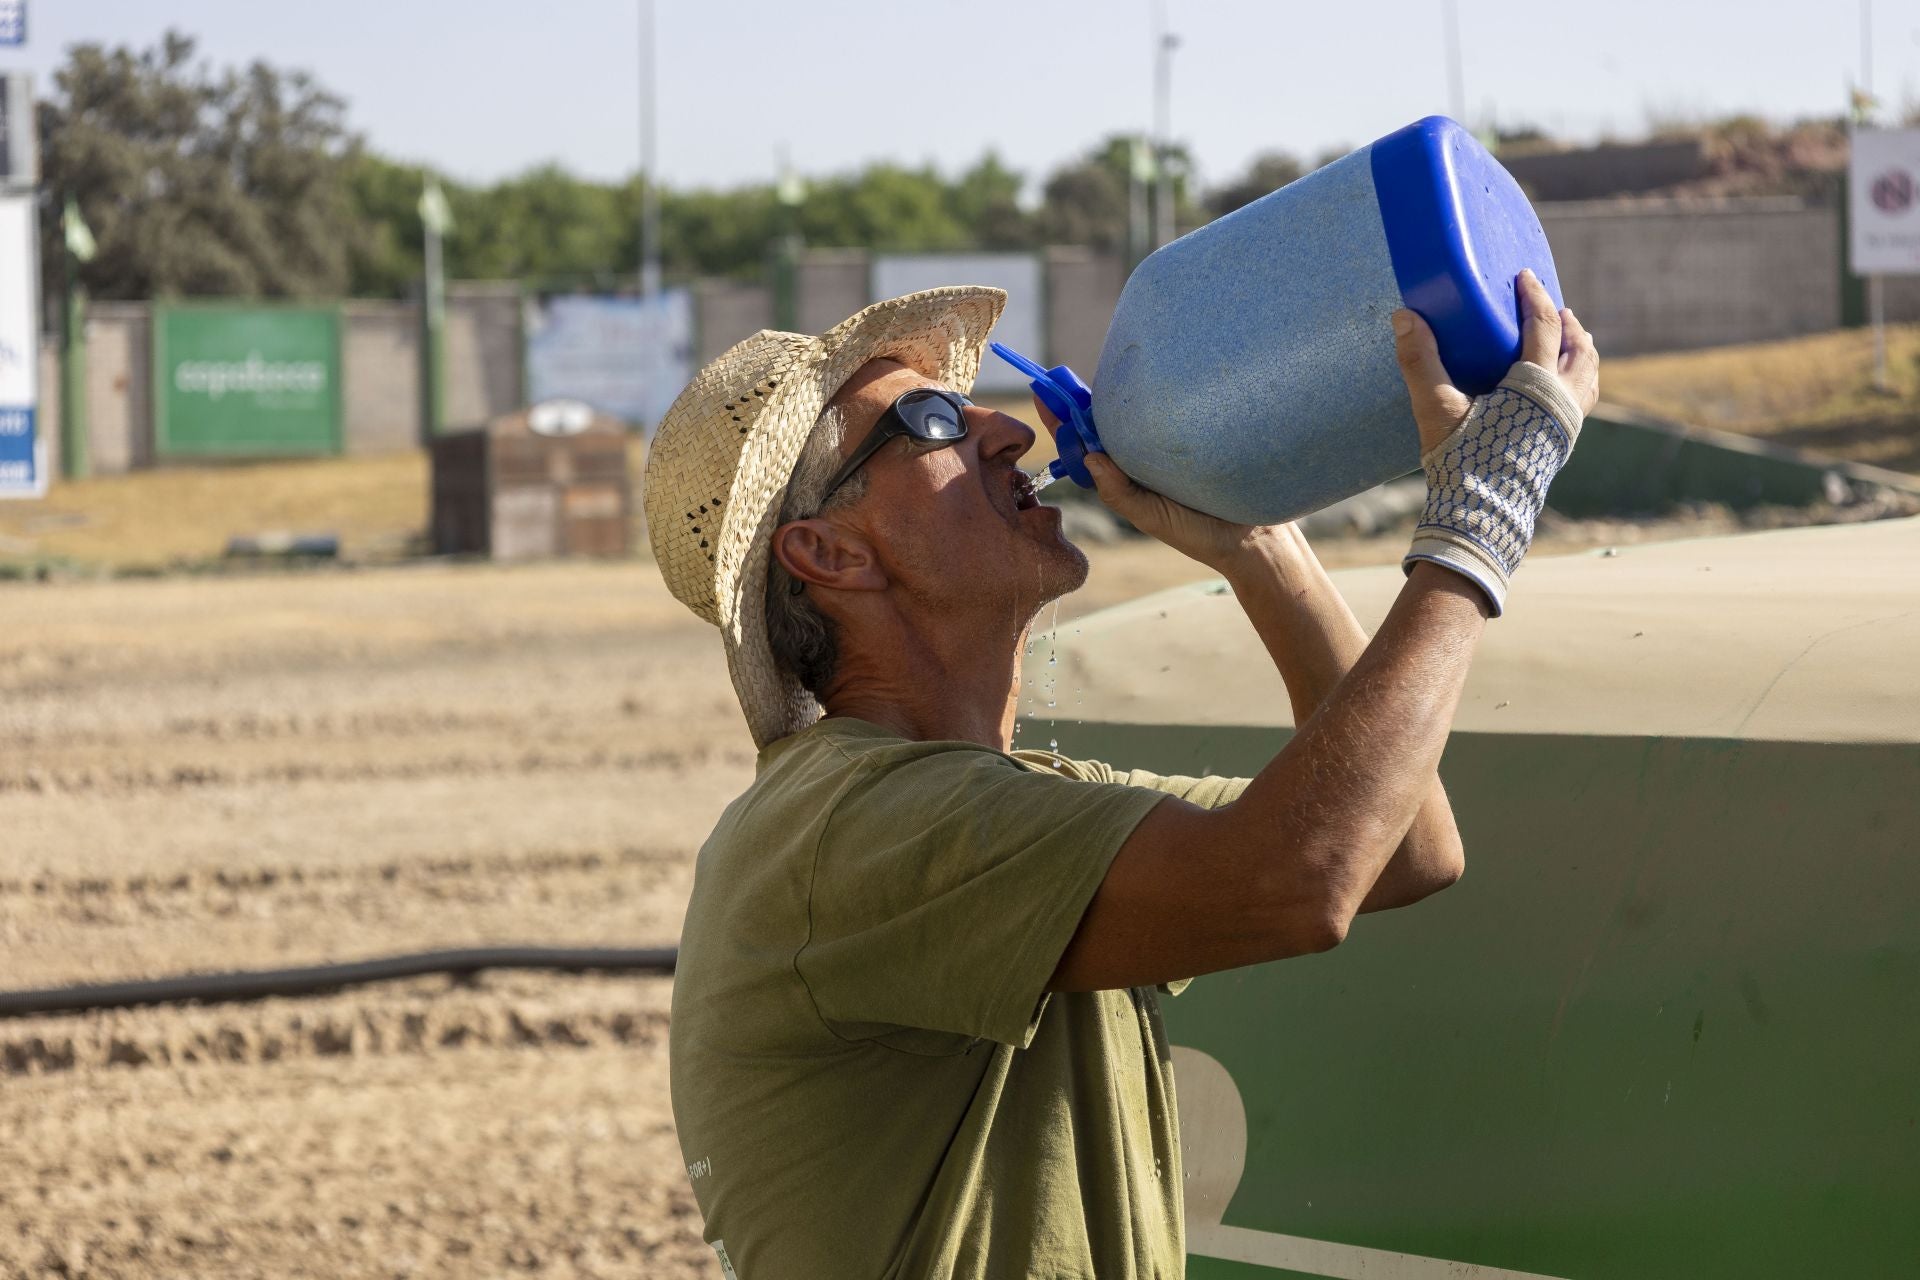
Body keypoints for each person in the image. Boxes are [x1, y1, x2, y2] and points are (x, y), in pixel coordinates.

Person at [643, 272, 1599, 1279]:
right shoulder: (846, 828)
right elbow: (1305, 874)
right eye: (931, 421)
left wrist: (1262, 550)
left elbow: (1403, 848)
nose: (1004, 431)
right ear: (828, 552)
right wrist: (1482, 513)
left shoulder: (1008, 805)